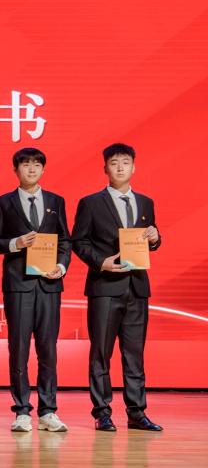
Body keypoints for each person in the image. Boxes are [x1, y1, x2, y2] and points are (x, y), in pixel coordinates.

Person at [72, 143, 162, 432]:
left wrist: (155, 237)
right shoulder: (91, 203)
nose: (120, 167)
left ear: (134, 167)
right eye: (114, 162)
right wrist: (101, 262)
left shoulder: (146, 202)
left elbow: (150, 240)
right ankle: (102, 412)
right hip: (105, 288)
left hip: (137, 288)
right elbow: (79, 242)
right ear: (105, 169)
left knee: (134, 354)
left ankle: (137, 413)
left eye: (125, 162)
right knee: (101, 353)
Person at [0, 148, 71, 432]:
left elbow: (65, 241)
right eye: (25, 165)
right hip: (18, 285)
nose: (31, 169)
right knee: (19, 348)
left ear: (43, 169)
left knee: (48, 349)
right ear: (15, 170)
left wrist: (61, 266)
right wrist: (15, 243)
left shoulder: (56, 201)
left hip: (49, 284)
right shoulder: (3, 203)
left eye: (36, 165)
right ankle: (22, 410)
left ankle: (48, 410)